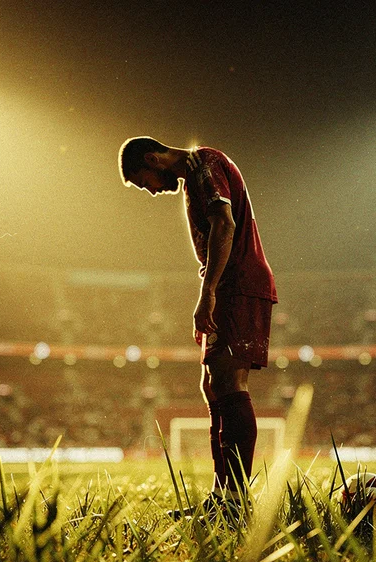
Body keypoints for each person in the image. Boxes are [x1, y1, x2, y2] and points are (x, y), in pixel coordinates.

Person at [118, 137, 277, 516]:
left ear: (153, 158)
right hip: (227, 286)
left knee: (229, 383)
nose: (152, 192)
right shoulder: (193, 180)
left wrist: (207, 295)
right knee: (212, 385)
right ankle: (222, 498)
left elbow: (225, 224)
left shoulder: (204, 164)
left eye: (145, 182)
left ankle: (235, 501)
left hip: (238, 284)